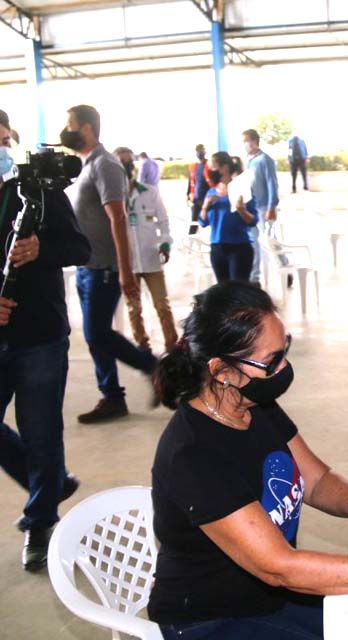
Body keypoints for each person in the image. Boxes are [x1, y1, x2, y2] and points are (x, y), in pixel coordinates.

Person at [149, 281, 348, 638]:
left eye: (284, 349)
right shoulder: (194, 456)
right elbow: (280, 568)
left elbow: (314, 479)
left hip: (273, 596)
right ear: (223, 372)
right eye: (271, 361)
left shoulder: (252, 405)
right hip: (214, 619)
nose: (284, 367)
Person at [0, 109, 89, 570]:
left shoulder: (34, 189)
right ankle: (49, 482)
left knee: (41, 433)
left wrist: (41, 251)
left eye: (2, 140)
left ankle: (41, 521)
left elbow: (79, 248)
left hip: (39, 334)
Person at [62, 104, 158, 423]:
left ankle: (152, 368)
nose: (67, 130)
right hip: (87, 266)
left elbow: (117, 218)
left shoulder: (106, 165)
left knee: (96, 332)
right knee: (95, 334)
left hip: (105, 267)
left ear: (87, 129)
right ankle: (112, 397)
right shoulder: (83, 165)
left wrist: (125, 270)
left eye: (71, 125)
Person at [113, 147, 178, 353]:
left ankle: (172, 345)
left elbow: (163, 220)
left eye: (129, 162)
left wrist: (165, 243)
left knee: (162, 305)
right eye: (121, 163)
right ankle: (143, 346)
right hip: (128, 262)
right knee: (134, 307)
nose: (126, 166)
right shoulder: (113, 198)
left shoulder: (149, 193)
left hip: (151, 257)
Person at [200, 152, 259, 283]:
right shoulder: (211, 192)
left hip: (239, 247)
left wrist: (242, 210)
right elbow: (203, 222)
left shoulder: (241, 189)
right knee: (223, 290)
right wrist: (205, 206)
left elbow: (253, 221)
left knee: (238, 288)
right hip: (217, 247)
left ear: (224, 168)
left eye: (213, 168)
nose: (210, 172)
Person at [242, 129, 279, 286]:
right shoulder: (248, 161)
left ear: (255, 141)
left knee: (269, 239)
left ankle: (284, 265)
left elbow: (272, 184)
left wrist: (271, 206)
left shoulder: (265, 160)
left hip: (264, 206)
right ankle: (254, 277)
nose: (245, 144)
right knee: (254, 242)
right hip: (251, 207)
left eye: (247, 140)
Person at [187, 144, 216, 235]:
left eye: (201, 150)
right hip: (196, 198)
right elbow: (190, 181)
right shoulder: (193, 166)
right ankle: (191, 242)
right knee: (194, 222)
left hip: (208, 198)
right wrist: (188, 194)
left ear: (205, 151)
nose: (199, 152)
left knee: (213, 220)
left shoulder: (209, 165)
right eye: (197, 151)